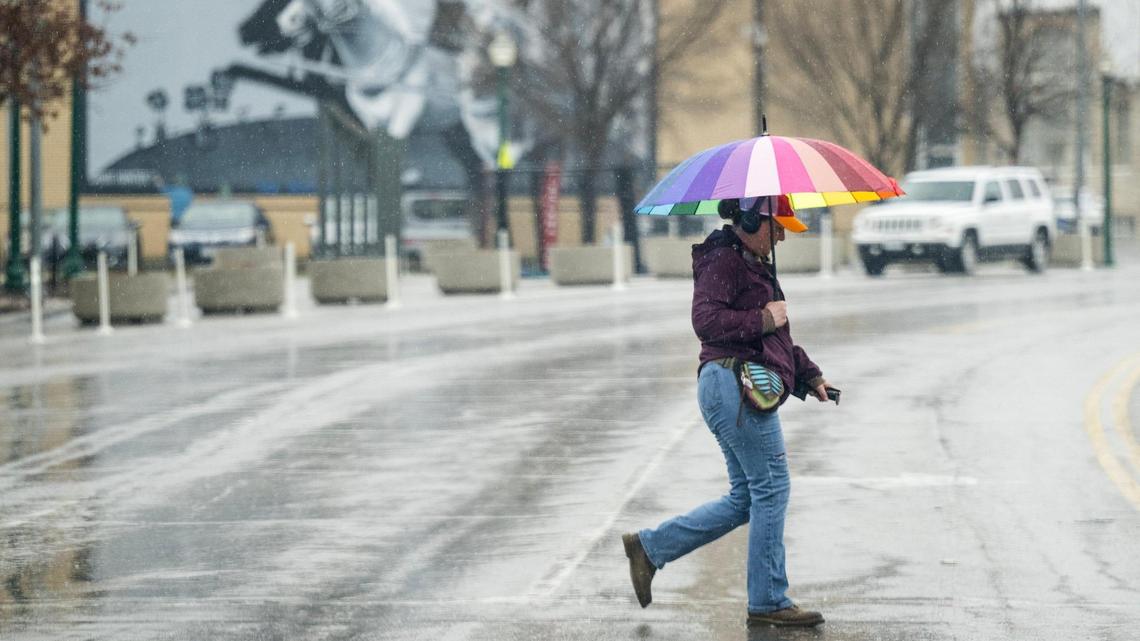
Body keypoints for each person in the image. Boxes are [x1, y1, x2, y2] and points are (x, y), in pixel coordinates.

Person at [622, 195, 834, 628]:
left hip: (740, 385)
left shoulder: (756, 266)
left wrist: (809, 376)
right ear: (752, 217)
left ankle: (649, 548)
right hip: (733, 384)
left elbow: (778, 341)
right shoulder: (724, 260)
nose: (780, 235)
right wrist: (761, 319)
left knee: (746, 499)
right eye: (776, 226)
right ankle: (769, 600)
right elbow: (706, 321)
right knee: (772, 489)